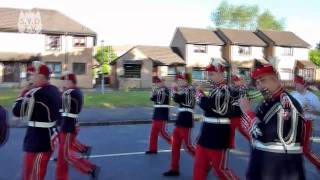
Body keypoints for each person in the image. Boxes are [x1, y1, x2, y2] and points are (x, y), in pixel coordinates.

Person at [239, 64, 305, 179]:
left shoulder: (285, 102)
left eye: (263, 80)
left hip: (278, 168)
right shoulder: (268, 101)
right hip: (264, 164)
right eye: (257, 82)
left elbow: (265, 135)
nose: (259, 85)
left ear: (277, 80)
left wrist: (248, 112)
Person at [12, 62, 61, 180]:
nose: (30, 77)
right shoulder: (55, 90)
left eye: (32, 74)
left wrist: (22, 93)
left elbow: (16, 111)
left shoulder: (35, 93)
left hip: (37, 140)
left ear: (40, 76)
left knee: (33, 175)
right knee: (38, 173)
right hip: (50, 136)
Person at [193, 63, 241, 180]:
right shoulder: (216, 89)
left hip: (218, 135)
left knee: (220, 170)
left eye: (212, 74)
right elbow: (210, 106)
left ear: (221, 74)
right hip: (206, 133)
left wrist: (198, 93)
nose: (209, 77)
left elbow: (208, 105)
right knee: (199, 167)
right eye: (208, 74)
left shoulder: (225, 89)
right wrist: (202, 94)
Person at [56, 72, 100, 180]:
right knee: (62, 157)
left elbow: (58, 102)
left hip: (68, 127)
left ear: (71, 81)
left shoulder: (71, 93)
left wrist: (60, 92)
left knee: (66, 155)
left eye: (65, 81)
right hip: (67, 124)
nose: (63, 83)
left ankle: (90, 168)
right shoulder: (74, 91)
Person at [163, 73, 196, 177]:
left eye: (182, 80)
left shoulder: (190, 89)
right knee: (174, 146)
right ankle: (174, 169)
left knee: (188, 147)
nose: (180, 81)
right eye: (179, 80)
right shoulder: (186, 90)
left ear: (187, 81)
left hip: (186, 119)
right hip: (180, 119)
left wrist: (173, 89)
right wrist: (175, 90)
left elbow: (177, 99)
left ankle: (205, 163)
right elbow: (177, 99)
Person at [291, 75, 320, 170]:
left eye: (297, 84)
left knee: (305, 150)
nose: (295, 86)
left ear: (304, 85)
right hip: (295, 123)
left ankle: (318, 164)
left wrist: (310, 110)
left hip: (307, 123)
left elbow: (319, 112)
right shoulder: (293, 95)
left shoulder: (312, 97)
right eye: (294, 84)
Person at [145, 76, 171, 154]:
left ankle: (175, 143)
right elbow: (153, 98)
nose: (157, 83)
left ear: (163, 82)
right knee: (153, 133)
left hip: (162, 115)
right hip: (156, 114)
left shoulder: (165, 90)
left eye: (159, 82)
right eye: (156, 82)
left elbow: (158, 99)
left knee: (163, 133)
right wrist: (153, 94)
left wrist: (153, 95)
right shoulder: (158, 90)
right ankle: (152, 149)